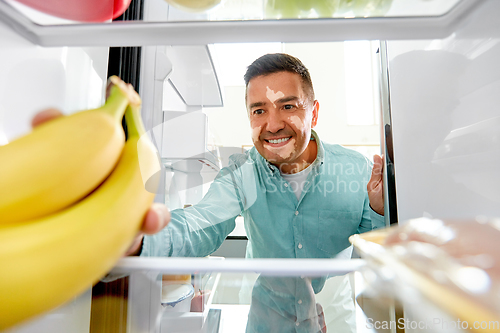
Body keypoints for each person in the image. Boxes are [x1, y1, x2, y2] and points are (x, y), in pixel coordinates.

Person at [138, 53, 386, 332]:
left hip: (334, 314)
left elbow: (377, 253)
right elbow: (202, 223)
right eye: (259, 111)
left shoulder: (356, 170)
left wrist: (380, 212)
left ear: (313, 113)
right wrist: (141, 240)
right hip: (266, 317)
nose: (273, 124)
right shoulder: (241, 172)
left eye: (287, 106)